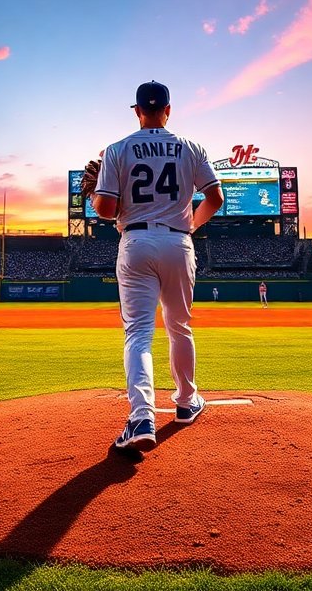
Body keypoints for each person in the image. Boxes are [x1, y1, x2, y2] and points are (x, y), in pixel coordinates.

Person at [91, 80, 224, 455]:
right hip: (178, 241)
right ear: (168, 110)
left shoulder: (117, 150)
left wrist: (104, 198)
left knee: (138, 333)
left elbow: (103, 209)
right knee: (179, 326)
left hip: (134, 243)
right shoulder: (190, 147)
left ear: (137, 111)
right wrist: (191, 225)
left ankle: (141, 417)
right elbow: (215, 197)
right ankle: (185, 402)